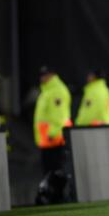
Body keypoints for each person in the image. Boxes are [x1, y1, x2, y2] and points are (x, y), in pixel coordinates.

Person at [34, 66, 72, 204]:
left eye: (44, 75)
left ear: (52, 75)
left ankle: (58, 198)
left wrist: (53, 133)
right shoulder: (48, 91)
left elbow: (60, 117)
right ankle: (54, 198)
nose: (42, 77)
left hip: (54, 140)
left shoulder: (57, 91)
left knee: (56, 172)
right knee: (51, 172)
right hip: (47, 141)